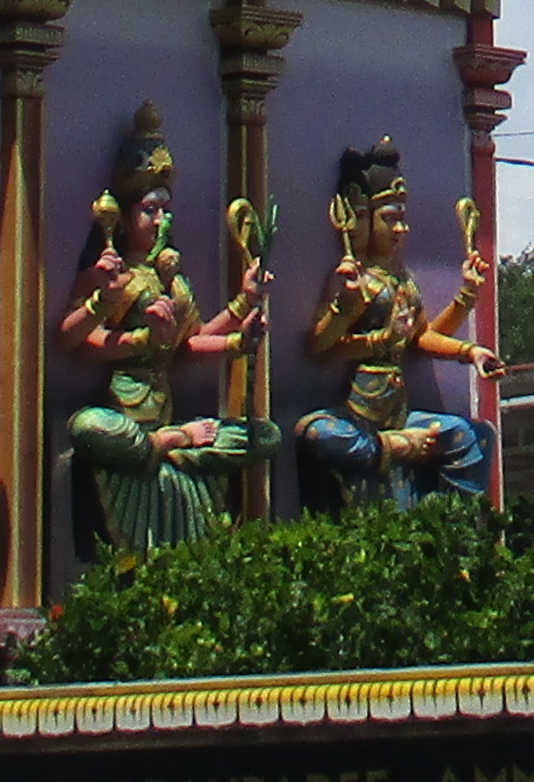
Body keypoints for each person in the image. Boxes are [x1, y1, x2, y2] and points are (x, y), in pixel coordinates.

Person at [56, 109, 258, 562]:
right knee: (87, 427)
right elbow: (70, 342)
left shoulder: (173, 281)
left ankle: (170, 445)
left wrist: (240, 323)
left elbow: (190, 343)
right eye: (149, 210)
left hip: (163, 406)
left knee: (259, 437)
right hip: (122, 415)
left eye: (165, 210)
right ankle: (169, 444)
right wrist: (126, 327)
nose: (160, 219)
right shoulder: (110, 275)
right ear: (124, 216)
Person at [290, 141, 491, 507]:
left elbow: (423, 337)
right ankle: (389, 447)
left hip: (400, 411)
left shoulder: (403, 279)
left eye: (402, 219)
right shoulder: (353, 279)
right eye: (390, 219)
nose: (401, 228)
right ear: (364, 219)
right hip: (359, 415)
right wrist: (354, 317)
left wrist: (470, 334)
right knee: (317, 434)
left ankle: (457, 525)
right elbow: (318, 346)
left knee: (467, 436)